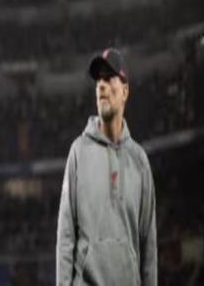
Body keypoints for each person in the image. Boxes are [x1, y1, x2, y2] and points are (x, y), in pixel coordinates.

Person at [56, 48, 157, 286]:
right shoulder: (78, 152)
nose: (101, 85)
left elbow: (149, 245)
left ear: (125, 91)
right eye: (98, 80)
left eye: (109, 78)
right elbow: (66, 236)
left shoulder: (140, 161)